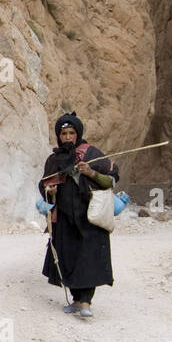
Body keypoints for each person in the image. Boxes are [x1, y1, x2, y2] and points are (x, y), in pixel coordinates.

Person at [39, 113, 119, 318]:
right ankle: (75, 300)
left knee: (88, 258)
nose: (67, 137)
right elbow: (44, 185)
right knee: (69, 258)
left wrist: (91, 173)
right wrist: (51, 191)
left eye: (71, 133)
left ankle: (86, 302)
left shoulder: (92, 155)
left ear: (78, 134)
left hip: (89, 218)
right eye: (63, 133)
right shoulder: (54, 160)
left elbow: (110, 181)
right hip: (65, 219)